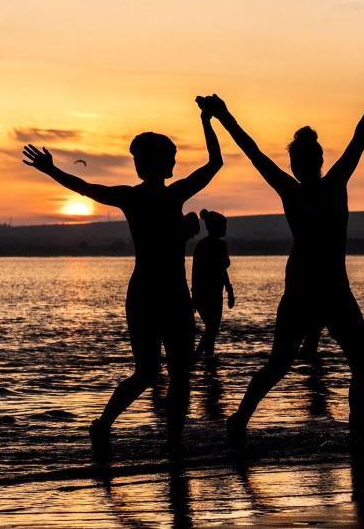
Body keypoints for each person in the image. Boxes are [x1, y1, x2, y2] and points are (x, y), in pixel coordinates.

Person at [200, 68, 364, 442]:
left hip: (320, 288)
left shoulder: (304, 187)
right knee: (348, 364)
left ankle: (243, 421)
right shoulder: (329, 184)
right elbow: (359, 136)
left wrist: (224, 115)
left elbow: (253, 151)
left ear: (302, 163)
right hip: (317, 289)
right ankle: (353, 436)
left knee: (289, 363)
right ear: (317, 160)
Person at [21, 98, 224, 455]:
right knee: (167, 374)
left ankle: (158, 441)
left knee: (157, 373)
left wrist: (51, 170)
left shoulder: (142, 197)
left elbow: (84, 187)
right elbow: (215, 163)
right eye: (171, 157)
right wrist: (208, 121)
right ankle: (123, 430)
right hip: (159, 294)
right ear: (158, 163)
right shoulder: (162, 195)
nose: (174, 162)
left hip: (155, 293)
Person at [191, 209, 235, 359]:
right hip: (210, 294)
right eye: (224, 226)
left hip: (210, 293)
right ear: (217, 227)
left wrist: (229, 290)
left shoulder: (203, 245)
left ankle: (208, 359)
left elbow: (221, 270)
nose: (226, 229)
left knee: (212, 329)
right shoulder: (218, 246)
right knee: (212, 329)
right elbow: (220, 269)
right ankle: (196, 358)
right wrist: (230, 291)